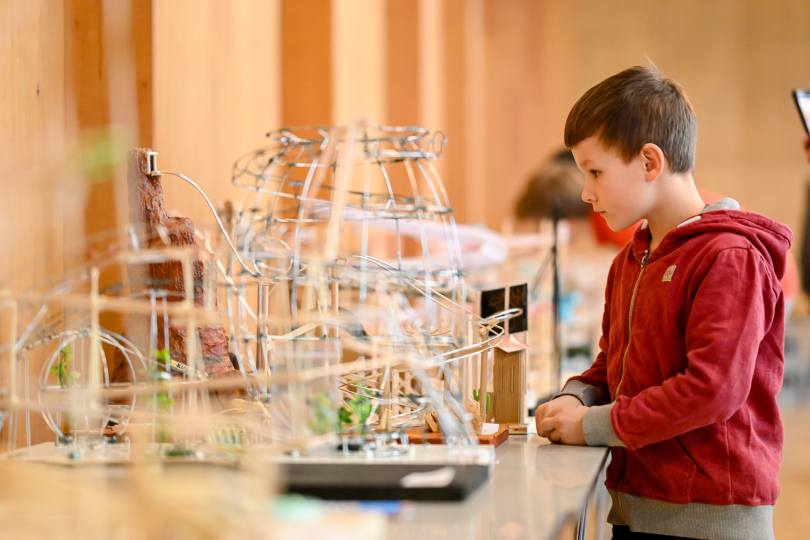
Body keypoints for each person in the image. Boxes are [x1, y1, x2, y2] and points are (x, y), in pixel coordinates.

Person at [534, 65, 791, 540]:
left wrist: (590, 425)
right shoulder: (630, 259)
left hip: (710, 519)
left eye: (595, 172)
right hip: (636, 507)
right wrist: (575, 395)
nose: (586, 193)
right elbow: (613, 363)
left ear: (650, 163)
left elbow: (711, 390)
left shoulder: (729, 258)